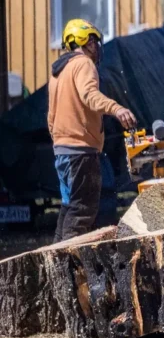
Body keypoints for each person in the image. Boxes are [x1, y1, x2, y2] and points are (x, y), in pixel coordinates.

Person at [48, 19, 137, 241]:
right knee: (83, 211)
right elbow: (90, 96)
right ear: (85, 42)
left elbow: (51, 117)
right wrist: (116, 109)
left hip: (62, 152)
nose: (97, 47)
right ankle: (69, 261)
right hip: (81, 152)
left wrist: (61, 140)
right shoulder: (83, 64)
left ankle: (56, 259)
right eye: (94, 41)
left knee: (69, 208)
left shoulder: (58, 72)